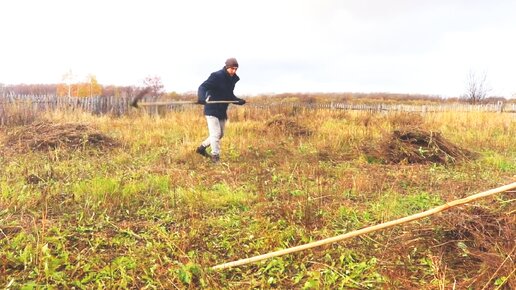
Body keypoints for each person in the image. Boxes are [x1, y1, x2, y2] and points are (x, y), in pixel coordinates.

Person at [196, 57, 246, 163]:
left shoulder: (232, 80)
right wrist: (201, 98)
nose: (234, 71)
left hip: (222, 110)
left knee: (220, 134)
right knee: (215, 134)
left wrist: (238, 101)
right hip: (211, 109)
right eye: (232, 68)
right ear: (227, 67)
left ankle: (201, 148)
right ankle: (215, 157)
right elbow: (202, 87)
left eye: (236, 69)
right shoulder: (216, 76)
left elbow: (229, 95)